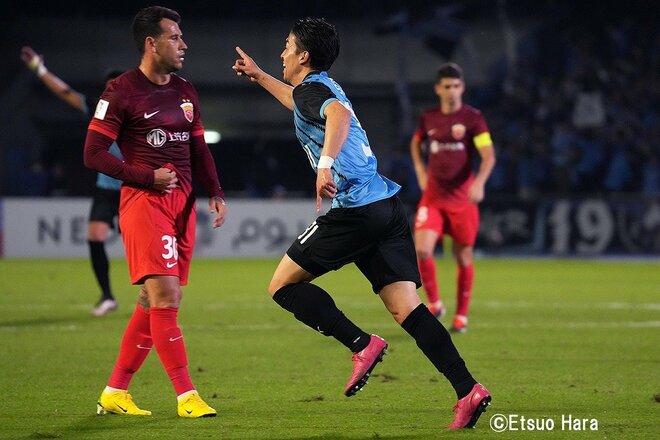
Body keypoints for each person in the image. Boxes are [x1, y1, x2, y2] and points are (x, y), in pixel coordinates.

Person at [232, 17, 491, 430]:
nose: (281, 53)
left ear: (303, 56)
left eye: (286, 46)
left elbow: (337, 117)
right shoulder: (316, 88)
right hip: (386, 206)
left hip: (353, 211)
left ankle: (362, 343)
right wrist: (261, 76)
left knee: (282, 286)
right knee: (407, 310)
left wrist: (326, 165)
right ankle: (468, 389)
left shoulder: (318, 92)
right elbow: (305, 104)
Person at [83, 6, 227, 418]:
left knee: (152, 298)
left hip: (183, 205)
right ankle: (187, 396)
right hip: (145, 203)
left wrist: (215, 190)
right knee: (167, 294)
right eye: (175, 37)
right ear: (152, 43)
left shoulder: (185, 90)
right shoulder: (120, 91)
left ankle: (114, 391)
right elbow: (92, 154)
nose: (184, 45)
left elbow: (198, 148)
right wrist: (145, 177)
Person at [20, 46, 124, 317]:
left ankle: (153, 292)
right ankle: (107, 296)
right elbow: (65, 92)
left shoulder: (137, 113)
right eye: (108, 86)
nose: (111, 90)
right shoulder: (97, 110)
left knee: (140, 246)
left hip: (132, 189)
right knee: (95, 237)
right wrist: (39, 70)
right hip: (105, 189)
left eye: (116, 85)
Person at [410, 63, 496, 333]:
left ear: (462, 88)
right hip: (433, 197)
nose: (452, 91)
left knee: (463, 257)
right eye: (447, 86)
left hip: (462, 200)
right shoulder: (428, 117)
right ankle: (434, 303)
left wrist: (480, 182)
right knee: (422, 249)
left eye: (456, 86)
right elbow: (415, 143)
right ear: (438, 89)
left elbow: (488, 155)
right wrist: (421, 171)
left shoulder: (473, 119)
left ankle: (461, 315)